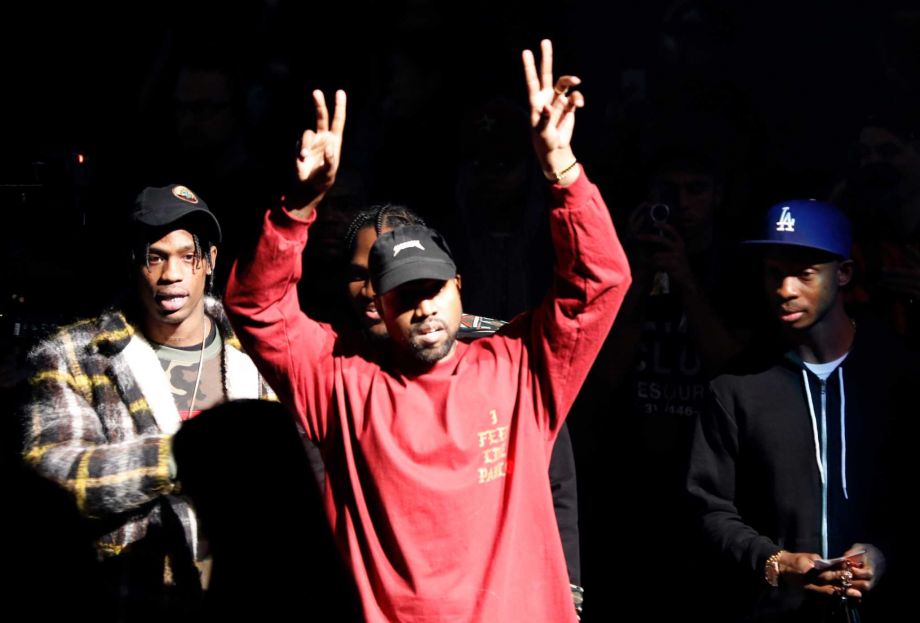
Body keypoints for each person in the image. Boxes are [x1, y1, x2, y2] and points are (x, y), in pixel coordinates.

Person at [225, 40, 631, 622]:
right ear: (380, 309)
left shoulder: (518, 366)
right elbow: (257, 307)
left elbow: (599, 282)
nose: (423, 308)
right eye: (403, 296)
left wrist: (562, 169)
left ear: (459, 288)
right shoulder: (342, 384)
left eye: (432, 289)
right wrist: (298, 206)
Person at [19, 184, 276, 621]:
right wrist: (180, 457)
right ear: (132, 262)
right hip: (134, 602)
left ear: (210, 261)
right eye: (154, 256)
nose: (171, 273)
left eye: (186, 256)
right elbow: (55, 478)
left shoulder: (259, 350)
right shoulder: (73, 356)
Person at [340, 202, 583, 612]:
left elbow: (553, 478)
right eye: (360, 275)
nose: (372, 289)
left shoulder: (492, 351)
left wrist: (570, 585)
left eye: (390, 273)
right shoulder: (334, 372)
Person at [686, 198, 913, 621]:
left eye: (804, 274)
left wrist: (884, 554)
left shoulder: (896, 372)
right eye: (774, 272)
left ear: (843, 274)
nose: (784, 290)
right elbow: (708, 507)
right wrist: (773, 562)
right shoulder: (739, 384)